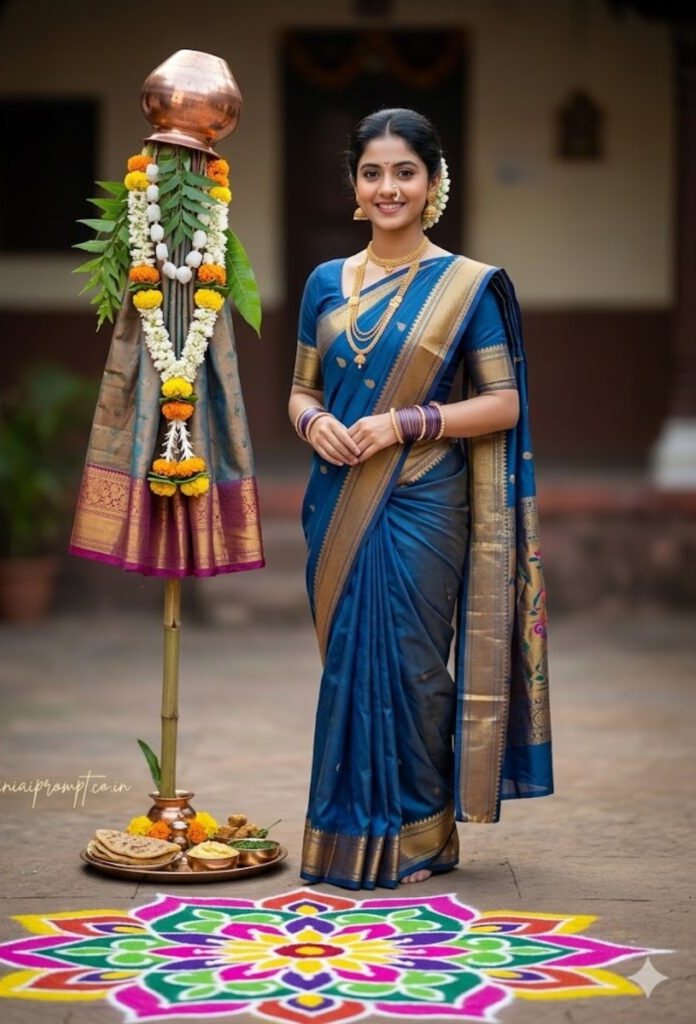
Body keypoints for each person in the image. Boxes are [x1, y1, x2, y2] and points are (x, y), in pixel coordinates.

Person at [288, 108, 553, 891]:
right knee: (349, 664)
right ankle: (342, 833)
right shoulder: (324, 283)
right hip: (339, 496)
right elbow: (301, 391)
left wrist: (406, 422)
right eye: (372, 172)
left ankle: (419, 831)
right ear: (354, 184)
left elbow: (502, 403)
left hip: (423, 502)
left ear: (433, 183)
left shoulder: (465, 288)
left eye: (405, 172)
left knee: (413, 668)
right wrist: (315, 424)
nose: (388, 187)